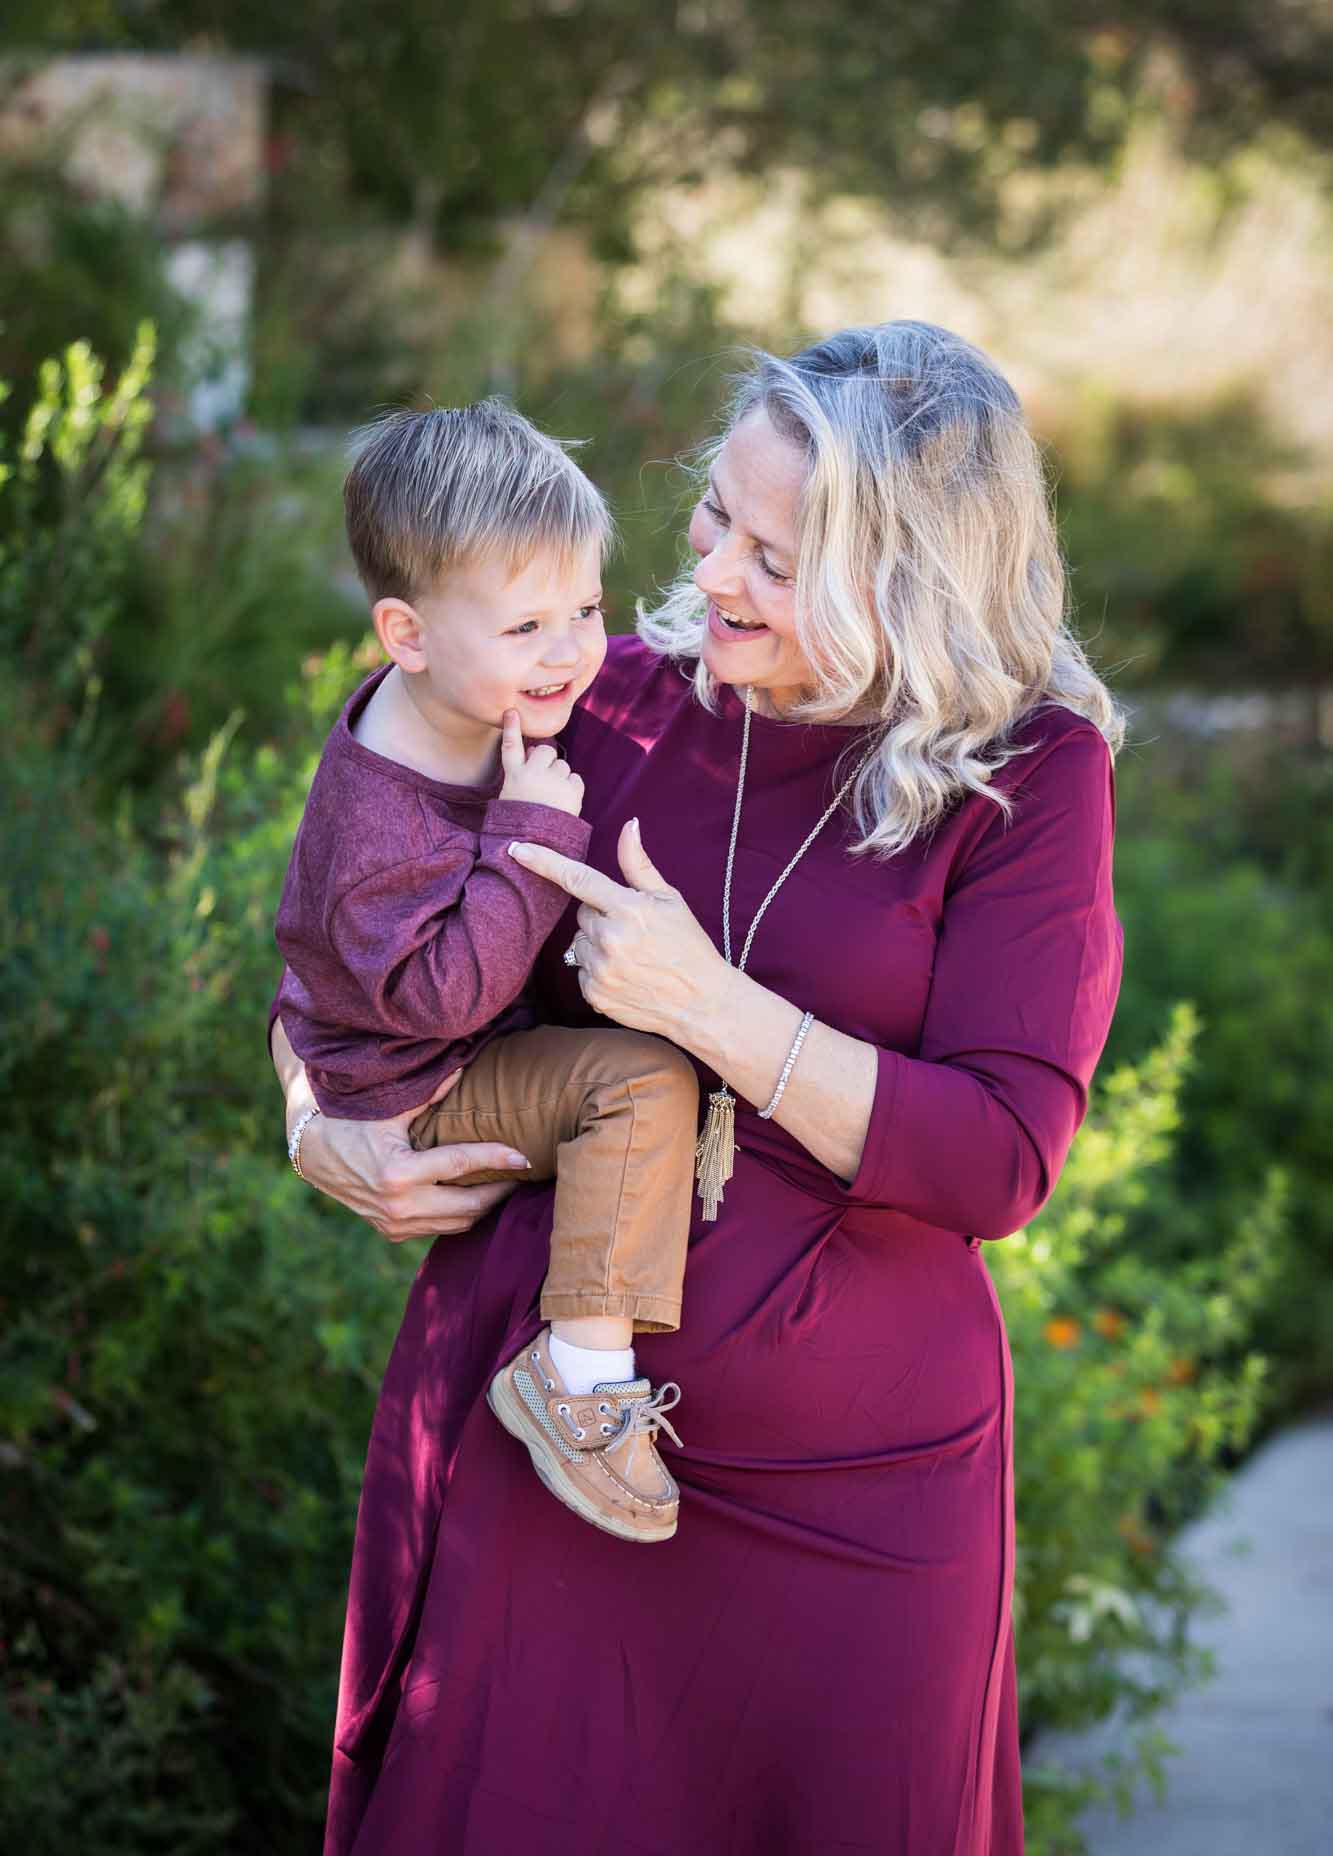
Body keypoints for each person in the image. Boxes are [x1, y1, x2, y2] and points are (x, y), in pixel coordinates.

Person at [272, 320, 1126, 1855]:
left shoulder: (1030, 773)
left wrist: (713, 1013)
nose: (716, 573)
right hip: (552, 1463)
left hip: (856, 1503)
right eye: (716, 518)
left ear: (916, 578)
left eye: (778, 557)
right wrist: (312, 1120)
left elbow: (997, 1158)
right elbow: (348, 926)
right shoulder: (589, 693)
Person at [275, 399, 698, 1546]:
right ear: (406, 632)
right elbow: (443, 994)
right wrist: (535, 834)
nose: (571, 652)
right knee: (637, 1086)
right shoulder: (384, 806)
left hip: (423, 1045)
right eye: (526, 628)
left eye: (588, 608)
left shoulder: (454, 708)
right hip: (416, 1080)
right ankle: (579, 1383)